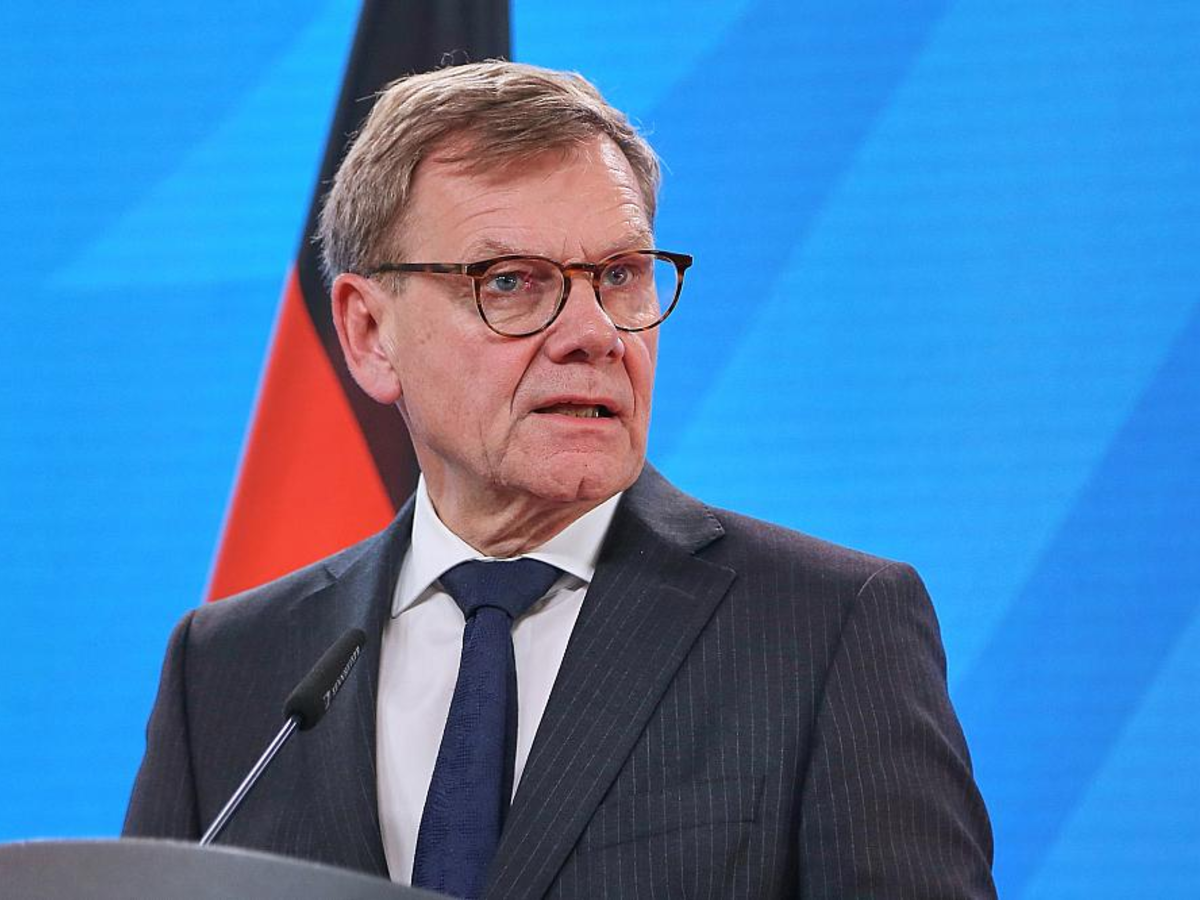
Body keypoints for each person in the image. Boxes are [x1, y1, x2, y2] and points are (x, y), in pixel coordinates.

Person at [125, 61, 996, 899]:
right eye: (511, 282)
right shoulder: (228, 670)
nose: (595, 333)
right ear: (368, 333)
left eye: (621, 275)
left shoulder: (824, 630)